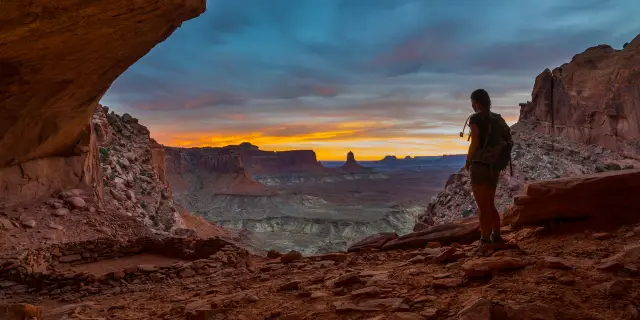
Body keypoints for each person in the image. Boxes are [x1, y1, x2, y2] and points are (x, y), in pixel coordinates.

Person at [464, 89, 506, 252]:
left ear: (476, 102)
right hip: (493, 167)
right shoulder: (498, 119)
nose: (472, 106)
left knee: (482, 206)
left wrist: (468, 162)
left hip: (480, 166)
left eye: (473, 103)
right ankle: (496, 235)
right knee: (490, 203)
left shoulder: (475, 118)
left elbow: (474, 142)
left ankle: (485, 240)